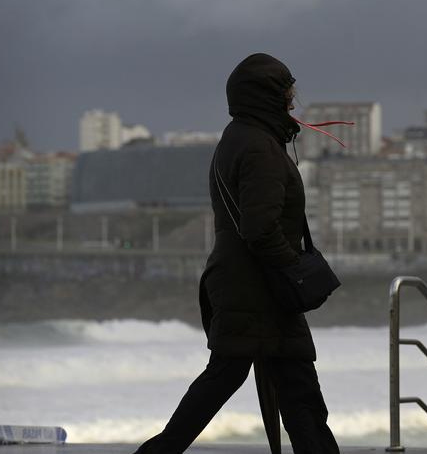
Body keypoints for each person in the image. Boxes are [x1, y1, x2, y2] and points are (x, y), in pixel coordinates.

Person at [133, 53, 339, 454]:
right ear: (267, 96)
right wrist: (293, 268)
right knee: (246, 381)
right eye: (287, 93)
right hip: (258, 289)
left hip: (245, 284)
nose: (293, 103)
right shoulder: (259, 147)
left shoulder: (239, 138)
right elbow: (259, 229)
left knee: (282, 385)